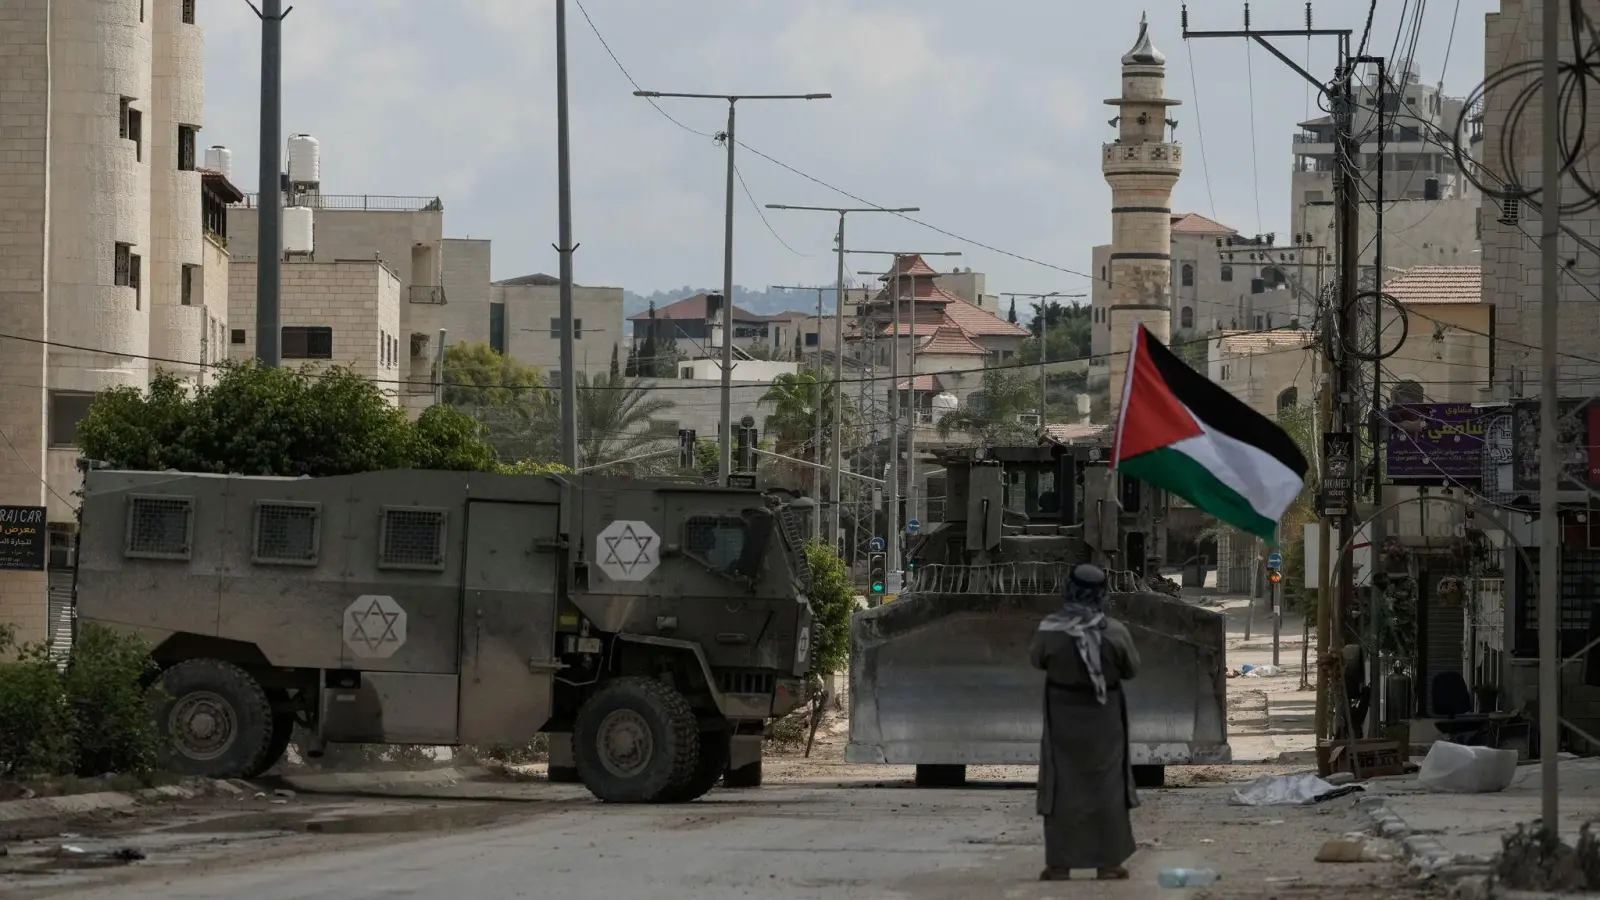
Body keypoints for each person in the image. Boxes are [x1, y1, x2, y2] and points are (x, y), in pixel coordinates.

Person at [1029, 563, 1142, 881]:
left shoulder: (1049, 628)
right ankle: (1108, 863)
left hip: (1062, 715)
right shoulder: (1115, 631)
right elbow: (1131, 669)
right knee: (1107, 784)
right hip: (1103, 715)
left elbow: (1036, 659)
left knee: (1061, 783)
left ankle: (1059, 864)